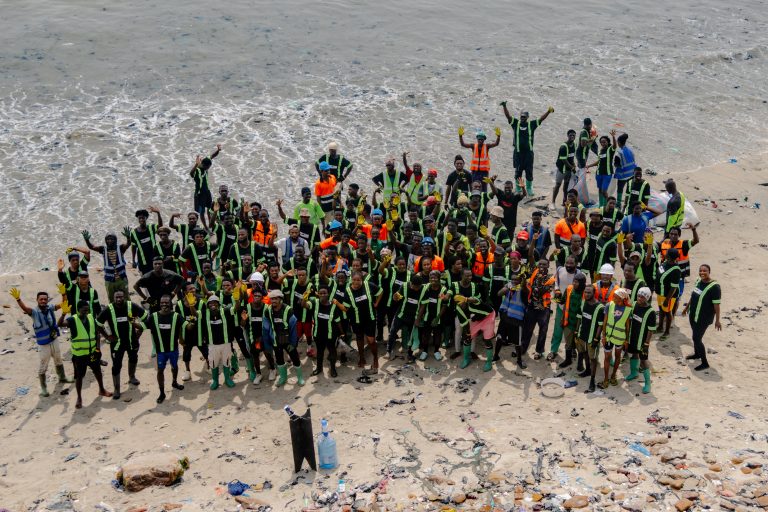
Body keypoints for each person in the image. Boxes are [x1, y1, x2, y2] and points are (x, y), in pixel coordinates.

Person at [10, 287, 73, 397]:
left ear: (47, 300)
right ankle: (43, 388)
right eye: (41, 299)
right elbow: (25, 308)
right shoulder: (34, 312)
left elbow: (63, 304)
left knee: (58, 359)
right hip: (44, 345)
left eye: (45, 299)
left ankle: (62, 377)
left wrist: (64, 294)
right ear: (37, 300)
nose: (43, 301)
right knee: (43, 365)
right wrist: (18, 299)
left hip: (54, 340)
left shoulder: (50, 308)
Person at [58, 300, 113, 408]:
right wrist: (63, 313)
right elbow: (59, 324)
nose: (86, 312)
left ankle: (102, 390)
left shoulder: (91, 317)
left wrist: (98, 349)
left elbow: (97, 334)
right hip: (80, 356)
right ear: (78, 310)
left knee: (98, 372)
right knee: (79, 377)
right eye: (84, 310)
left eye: (87, 310)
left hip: (92, 353)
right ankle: (79, 398)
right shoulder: (72, 320)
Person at [96, 289, 147, 399]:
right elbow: (98, 324)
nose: (119, 299)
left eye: (121, 297)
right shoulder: (108, 309)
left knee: (133, 358)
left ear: (124, 297)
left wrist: (139, 331)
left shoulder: (131, 306)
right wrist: (107, 336)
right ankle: (117, 389)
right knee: (116, 366)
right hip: (117, 344)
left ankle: (132, 377)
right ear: (113, 298)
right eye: (116, 297)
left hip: (132, 341)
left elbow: (146, 318)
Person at [138, 295, 184, 403]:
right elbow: (142, 326)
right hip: (160, 351)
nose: (164, 304)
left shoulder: (176, 316)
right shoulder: (153, 316)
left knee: (174, 367)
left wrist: (193, 322)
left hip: (173, 349)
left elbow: (186, 326)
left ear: (171, 304)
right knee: (160, 370)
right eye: (162, 303)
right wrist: (131, 322)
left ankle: (174, 382)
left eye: (166, 302)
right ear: (159, 304)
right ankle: (162, 393)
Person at [501, 103, 553, 196]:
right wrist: (504, 106)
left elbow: (541, 119)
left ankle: (529, 188)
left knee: (529, 172)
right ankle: (518, 188)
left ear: (527, 117)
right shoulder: (515, 123)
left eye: (524, 117)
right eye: (521, 116)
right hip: (518, 154)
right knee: (518, 172)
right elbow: (508, 116)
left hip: (528, 154)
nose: (522, 118)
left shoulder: (531, 125)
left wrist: (548, 111)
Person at [681, 264, 721, 371]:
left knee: (696, 338)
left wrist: (717, 320)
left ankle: (704, 363)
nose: (702, 273)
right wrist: (686, 308)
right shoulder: (698, 281)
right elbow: (693, 296)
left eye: (705, 271)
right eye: (700, 270)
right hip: (693, 315)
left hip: (703, 318)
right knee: (695, 335)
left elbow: (716, 305)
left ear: (709, 272)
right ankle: (697, 354)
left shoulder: (715, 287)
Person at [300, 286, 346, 377]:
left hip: (330, 334)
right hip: (318, 334)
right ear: (318, 294)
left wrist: (342, 332)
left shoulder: (333, 306)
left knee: (332, 351)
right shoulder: (314, 302)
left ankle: (333, 369)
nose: (322, 295)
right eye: (320, 293)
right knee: (320, 351)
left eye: (324, 293)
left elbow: (338, 321)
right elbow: (304, 305)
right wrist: (304, 298)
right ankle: (319, 368)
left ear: (328, 294)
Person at [263, 289, 304, 386]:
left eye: (275, 299)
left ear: (280, 299)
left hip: (288, 340)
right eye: (272, 299)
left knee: (295, 357)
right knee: (279, 359)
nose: (273, 301)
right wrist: (267, 342)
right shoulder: (268, 310)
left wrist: (293, 343)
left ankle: (300, 378)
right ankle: (283, 378)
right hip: (276, 340)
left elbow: (293, 328)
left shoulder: (288, 310)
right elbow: (265, 327)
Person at [81, 230, 131, 303]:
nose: (109, 241)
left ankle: (129, 309)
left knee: (126, 297)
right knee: (111, 298)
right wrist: (87, 240)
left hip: (121, 279)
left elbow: (128, 244)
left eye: (112, 239)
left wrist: (128, 237)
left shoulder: (120, 248)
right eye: (108, 239)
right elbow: (92, 247)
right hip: (109, 280)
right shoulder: (103, 249)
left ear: (115, 240)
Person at [521, 259, 555, 362]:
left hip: (544, 308)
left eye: (544, 264)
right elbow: (531, 257)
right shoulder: (534, 272)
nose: (541, 266)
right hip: (532, 306)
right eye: (540, 264)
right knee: (527, 329)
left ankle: (539, 351)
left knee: (543, 331)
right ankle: (523, 348)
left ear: (548, 265)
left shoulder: (551, 279)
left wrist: (539, 281)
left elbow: (540, 293)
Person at [625, 287, 656, 393]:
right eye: (638, 296)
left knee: (643, 360)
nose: (639, 298)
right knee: (634, 354)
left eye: (642, 297)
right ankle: (634, 373)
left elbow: (651, 330)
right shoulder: (634, 304)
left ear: (647, 298)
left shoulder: (651, 312)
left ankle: (647, 383)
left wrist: (646, 344)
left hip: (642, 341)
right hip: (633, 337)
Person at [599, 288, 631, 389]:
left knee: (617, 357)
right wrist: (603, 336)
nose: (614, 299)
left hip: (620, 338)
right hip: (608, 337)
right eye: (614, 297)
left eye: (616, 297)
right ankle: (606, 379)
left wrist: (626, 340)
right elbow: (605, 322)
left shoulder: (628, 309)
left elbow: (627, 327)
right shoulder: (609, 305)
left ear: (622, 298)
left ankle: (613, 376)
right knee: (607, 357)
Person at [576, 284, 605, 393]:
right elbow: (579, 318)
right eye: (585, 292)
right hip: (582, 335)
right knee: (584, 353)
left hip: (592, 338)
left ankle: (592, 380)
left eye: (589, 292)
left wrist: (596, 339)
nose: (586, 294)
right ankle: (587, 370)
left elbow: (600, 325)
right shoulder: (583, 303)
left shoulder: (600, 307)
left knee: (593, 359)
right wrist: (576, 332)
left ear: (594, 293)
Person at [415, 270, 449, 362]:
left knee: (437, 335)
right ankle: (425, 351)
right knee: (425, 335)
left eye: (435, 277)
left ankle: (436, 351)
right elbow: (422, 302)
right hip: (427, 316)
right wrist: (420, 316)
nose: (433, 279)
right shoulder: (426, 287)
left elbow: (445, 305)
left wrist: (437, 318)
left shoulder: (443, 290)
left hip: (438, 317)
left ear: (439, 278)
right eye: (431, 277)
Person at [190, 145, 222, 228]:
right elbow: (191, 174)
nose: (208, 168)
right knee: (202, 212)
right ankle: (206, 227)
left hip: (207, 191)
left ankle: (211, 225)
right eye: (207, 167)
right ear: (203, 165)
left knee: (210, 208)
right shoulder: (197, 171)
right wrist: (196, 165)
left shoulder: (206, 161)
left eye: (209, 167)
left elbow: (212, 156)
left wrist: (218, 150)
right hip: (199, 194)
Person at [654, 247, 681, 339]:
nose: (665, 254)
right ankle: (660, 327)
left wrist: (667, 299)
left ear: (669, 256)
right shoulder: (665, 263)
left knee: (668, 312)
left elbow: (674, 287)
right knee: (661, 310)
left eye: (667, 253)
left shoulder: (676, 270)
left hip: (668, 295)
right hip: (660, 293)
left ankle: (667, 332)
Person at [127, 207, 163, 275]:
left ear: (146, 218)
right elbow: (133, 247)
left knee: (157, 276)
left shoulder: (151, 227)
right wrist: (133, 260)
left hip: (154, 258)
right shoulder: (133, 233)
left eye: (143, 218)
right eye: (139, 218)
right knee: (145, 277)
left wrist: (158, 213)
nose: (141, 220)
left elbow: (160, 225)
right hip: (142, 260)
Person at [586, 130, 617, 207]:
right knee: (600, 190)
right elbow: (598, 162)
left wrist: (613, 136)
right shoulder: (600, 152)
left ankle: (609, 204)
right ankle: (601, 205)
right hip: (599, 173)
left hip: (607, 174)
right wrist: (589, 165)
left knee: (604, 191)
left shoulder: (610, 150)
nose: (603, 143)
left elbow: (615, 146)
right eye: (601, 142)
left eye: (604, 142)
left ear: (608, 142)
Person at [552, 129, 577, 209]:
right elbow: (564, 160)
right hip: (561, 169)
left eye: (573, 135)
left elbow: (571, 157)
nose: (572, 136)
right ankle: (553, 202)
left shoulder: (574, 144)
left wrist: (574, 165)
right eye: (570, 135)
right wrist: (572, 167)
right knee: (558, 185)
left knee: (566, 185)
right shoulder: (563, 147)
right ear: (567, 136)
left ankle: (564, 201)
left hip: (568, 169)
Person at [613, 133, 637, 209]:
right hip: (632, 173)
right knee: (628, 189)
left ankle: (618, 204)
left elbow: (616, 164)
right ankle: (627, 202)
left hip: (623, 175)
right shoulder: (630, 150)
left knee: (620, 189)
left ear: (619, 142)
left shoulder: (619, 153)